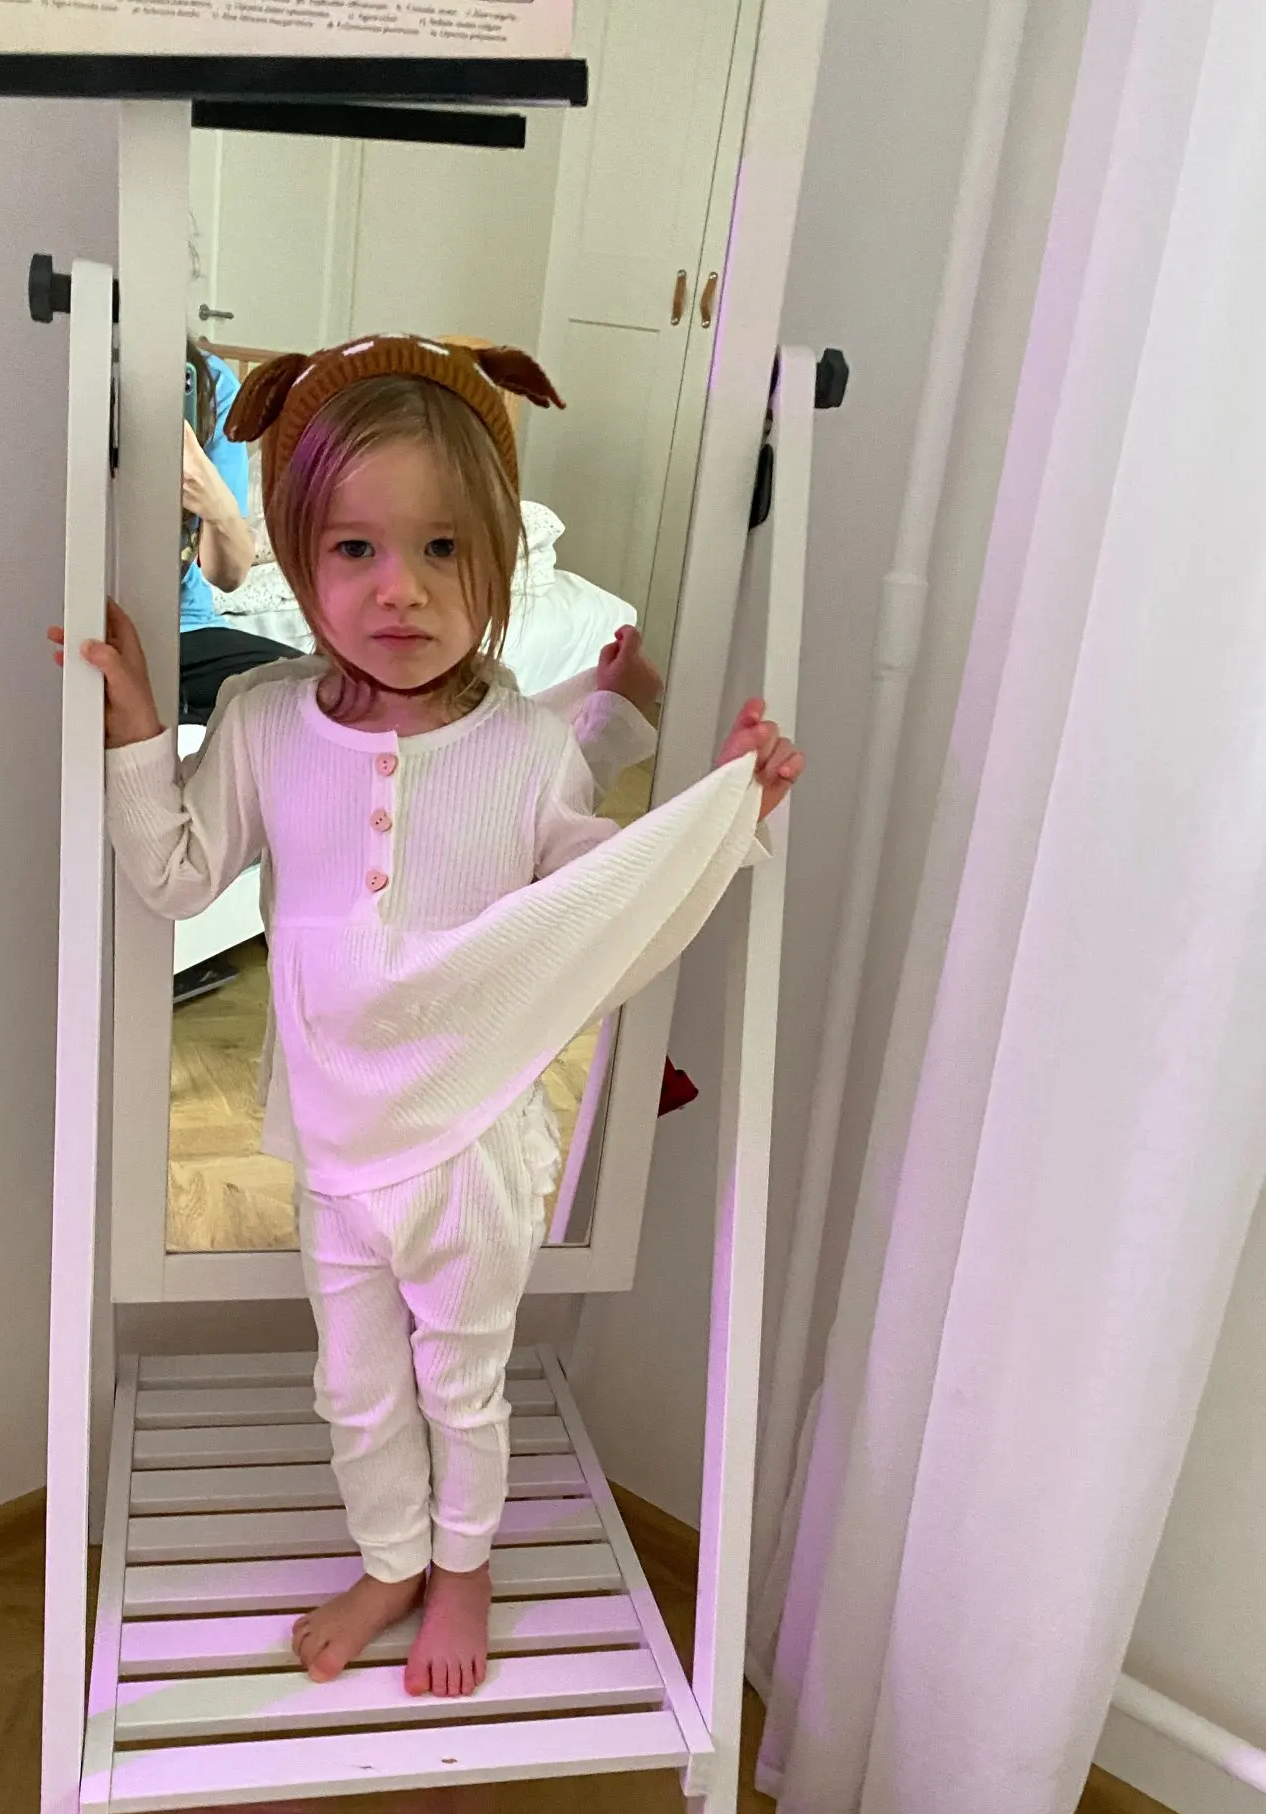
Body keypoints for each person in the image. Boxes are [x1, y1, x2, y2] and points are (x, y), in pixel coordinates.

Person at [53, 334, 803, 1701]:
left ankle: (464, 1564)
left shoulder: (523, 747)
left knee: (461, 1380)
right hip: (334, 1145)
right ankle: (391, 1556)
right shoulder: (265, 722)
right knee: (355, 1387)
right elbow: (176, 879)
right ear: (298, 557)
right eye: (355, 549)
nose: (399, 588)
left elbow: (598, 903)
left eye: (444, 549)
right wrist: (138, 728)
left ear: (498, 562)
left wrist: (720, 815)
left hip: (469, 1146)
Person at [180, 338, 300, 724]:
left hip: (184, 629)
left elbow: (228, 577)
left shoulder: (211, 383)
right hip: (75, 626)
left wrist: (215, 504)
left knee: (322, 698)